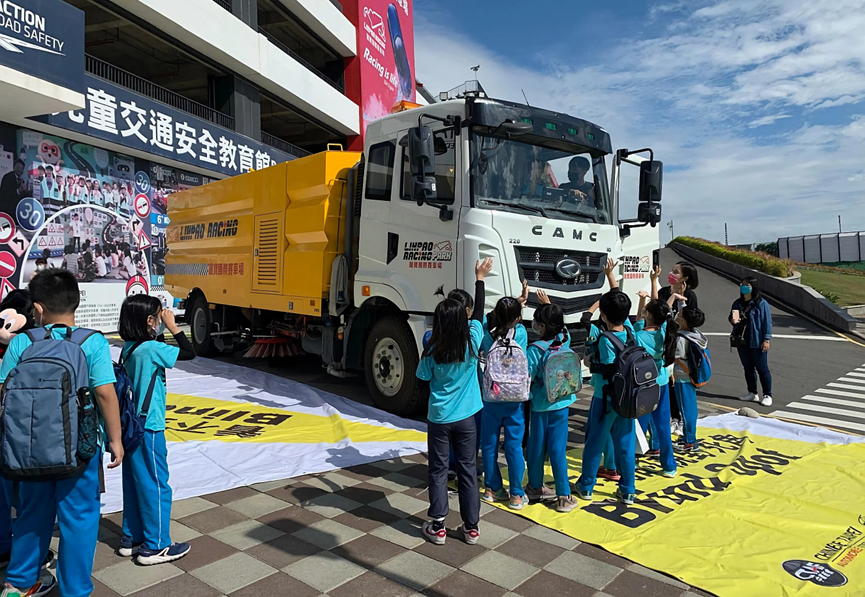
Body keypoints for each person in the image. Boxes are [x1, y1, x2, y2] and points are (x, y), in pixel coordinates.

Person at [0, 269, 124, 597]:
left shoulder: (23, 342)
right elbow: (105, 394)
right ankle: (75, 591)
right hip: (79, 450)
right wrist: (115, 440)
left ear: (38, 309)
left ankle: (18, 585)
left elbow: (2, 391)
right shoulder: (91, 341)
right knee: (79, 519)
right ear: (76, 303)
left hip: (27, 450)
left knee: (30, 515)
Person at [417, 258, 492, 546]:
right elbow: (479, 312)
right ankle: (471, 528)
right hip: (467, 418)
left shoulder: (432, 347)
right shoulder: (472, 340)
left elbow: (423, 379)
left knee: (437, 470)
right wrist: (479, 278)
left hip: (439, 418)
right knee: (468, 470)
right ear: (464, 319)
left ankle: (438, 527)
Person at [117, 295, 196, 565]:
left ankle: (132, 538)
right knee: (156, 484)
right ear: (150, 320)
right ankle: (156, 545)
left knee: (134, 483)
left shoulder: (130, 348)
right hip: (149, 426)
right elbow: (189, 352)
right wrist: (174, 327)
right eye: (159, 315)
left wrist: (158, 329)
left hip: (131, 426)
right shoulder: (151, 349)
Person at [575, 263, 639, 505]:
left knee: (595, 441)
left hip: (605, 398)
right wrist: (611, 277)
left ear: (602, 314)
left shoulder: (604, 338)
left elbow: (604, 367)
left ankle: (586, 486)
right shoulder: (630, 331)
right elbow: (617, 298)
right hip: (628, 398)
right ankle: (628, 489)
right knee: (625, 444)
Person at [525, 301, 579, 513]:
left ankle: (535, 486)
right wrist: (550, 306)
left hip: (540, 405)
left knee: (536, 447)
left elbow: (527, 377)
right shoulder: (565, 341)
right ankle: (564, 495)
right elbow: (562, 328)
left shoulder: (535, 350)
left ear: (542, 326)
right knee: (557, 449)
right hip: (562, 403)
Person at [479, 296, 529, 510]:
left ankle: (492, 488)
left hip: (491, 397)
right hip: (515, 399)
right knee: (514, 446)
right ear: (517, 318)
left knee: (489, 444)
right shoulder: (522, 333)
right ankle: (516, 494)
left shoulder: (486, 336)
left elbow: (481, 320)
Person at [634, 289, 681, 478]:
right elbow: (662, 312)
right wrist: (670, 298)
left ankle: (632, 460)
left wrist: (642, 302)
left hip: (644, 385)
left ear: (649, 314)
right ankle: (669, 466)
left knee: (639, 426)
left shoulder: (639, 336)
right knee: (663, 426)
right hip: (661, 382)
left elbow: (638, 322)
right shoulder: (665, 331)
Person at [730, 277, 773, 406]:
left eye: (747, 285)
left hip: (757, 340)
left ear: (753, 287)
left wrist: (766, 339)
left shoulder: (761, 304)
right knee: (748, 368)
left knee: (762, 369)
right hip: (742, 340)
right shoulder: (738, 303)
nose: (743, 287)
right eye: (742, 284)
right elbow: (732, 317)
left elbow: (767, 323)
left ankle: (767, 394)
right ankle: (752, 392)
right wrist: (733, 320)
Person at [673, 306, 708, 453]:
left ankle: (690, 441)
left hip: (682, 377)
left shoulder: (681, 339)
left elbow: (676, 356)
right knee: (690, 407)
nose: (677, 314)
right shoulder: (696, 334)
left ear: (682, 320)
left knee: (685, 410)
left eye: (680, 313)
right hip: (691, 376)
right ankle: (688, 437)